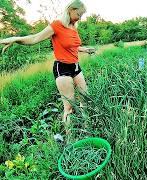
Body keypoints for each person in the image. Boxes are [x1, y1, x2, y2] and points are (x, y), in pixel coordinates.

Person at [0, 0, 95, 129]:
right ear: (70, 10)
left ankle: (87, 129)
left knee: (85, 99)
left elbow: (72, 47)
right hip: (62, 67)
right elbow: (34, 38)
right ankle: (70, 139)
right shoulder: (56, 25)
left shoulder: (73, 27)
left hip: (75, 66)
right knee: (69, 107)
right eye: (79, 14)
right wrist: (16, 39)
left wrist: (85, 49)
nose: (80, 18)